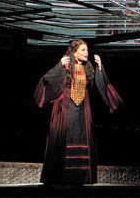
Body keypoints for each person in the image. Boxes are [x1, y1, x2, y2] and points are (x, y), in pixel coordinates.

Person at [34, 40, 122, 185]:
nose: (86, 53)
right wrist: (59, 65)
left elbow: (99, 85)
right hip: (65, 106)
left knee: (83, 137)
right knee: (65, 138)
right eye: (83, 50)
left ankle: (82, 176)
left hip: (82, 108)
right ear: (74, 52)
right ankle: (60, 176)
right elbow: (48, 80)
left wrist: (100, 68)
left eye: (87, 50)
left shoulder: (88, 68)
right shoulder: (66, 65)